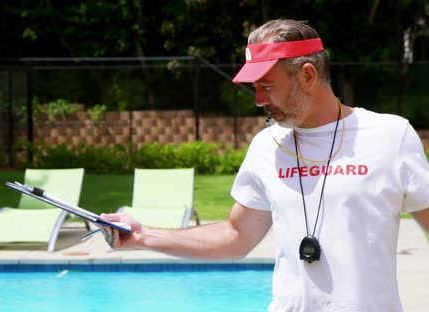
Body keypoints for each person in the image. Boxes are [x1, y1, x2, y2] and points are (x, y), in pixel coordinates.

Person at [99, 19, 429, 311]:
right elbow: (235, 235)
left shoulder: (390, 135)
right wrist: (143, 236)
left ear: (307, 75)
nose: (258, 100)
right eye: (255, 88)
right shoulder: (266, 145)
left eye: (266, 86)